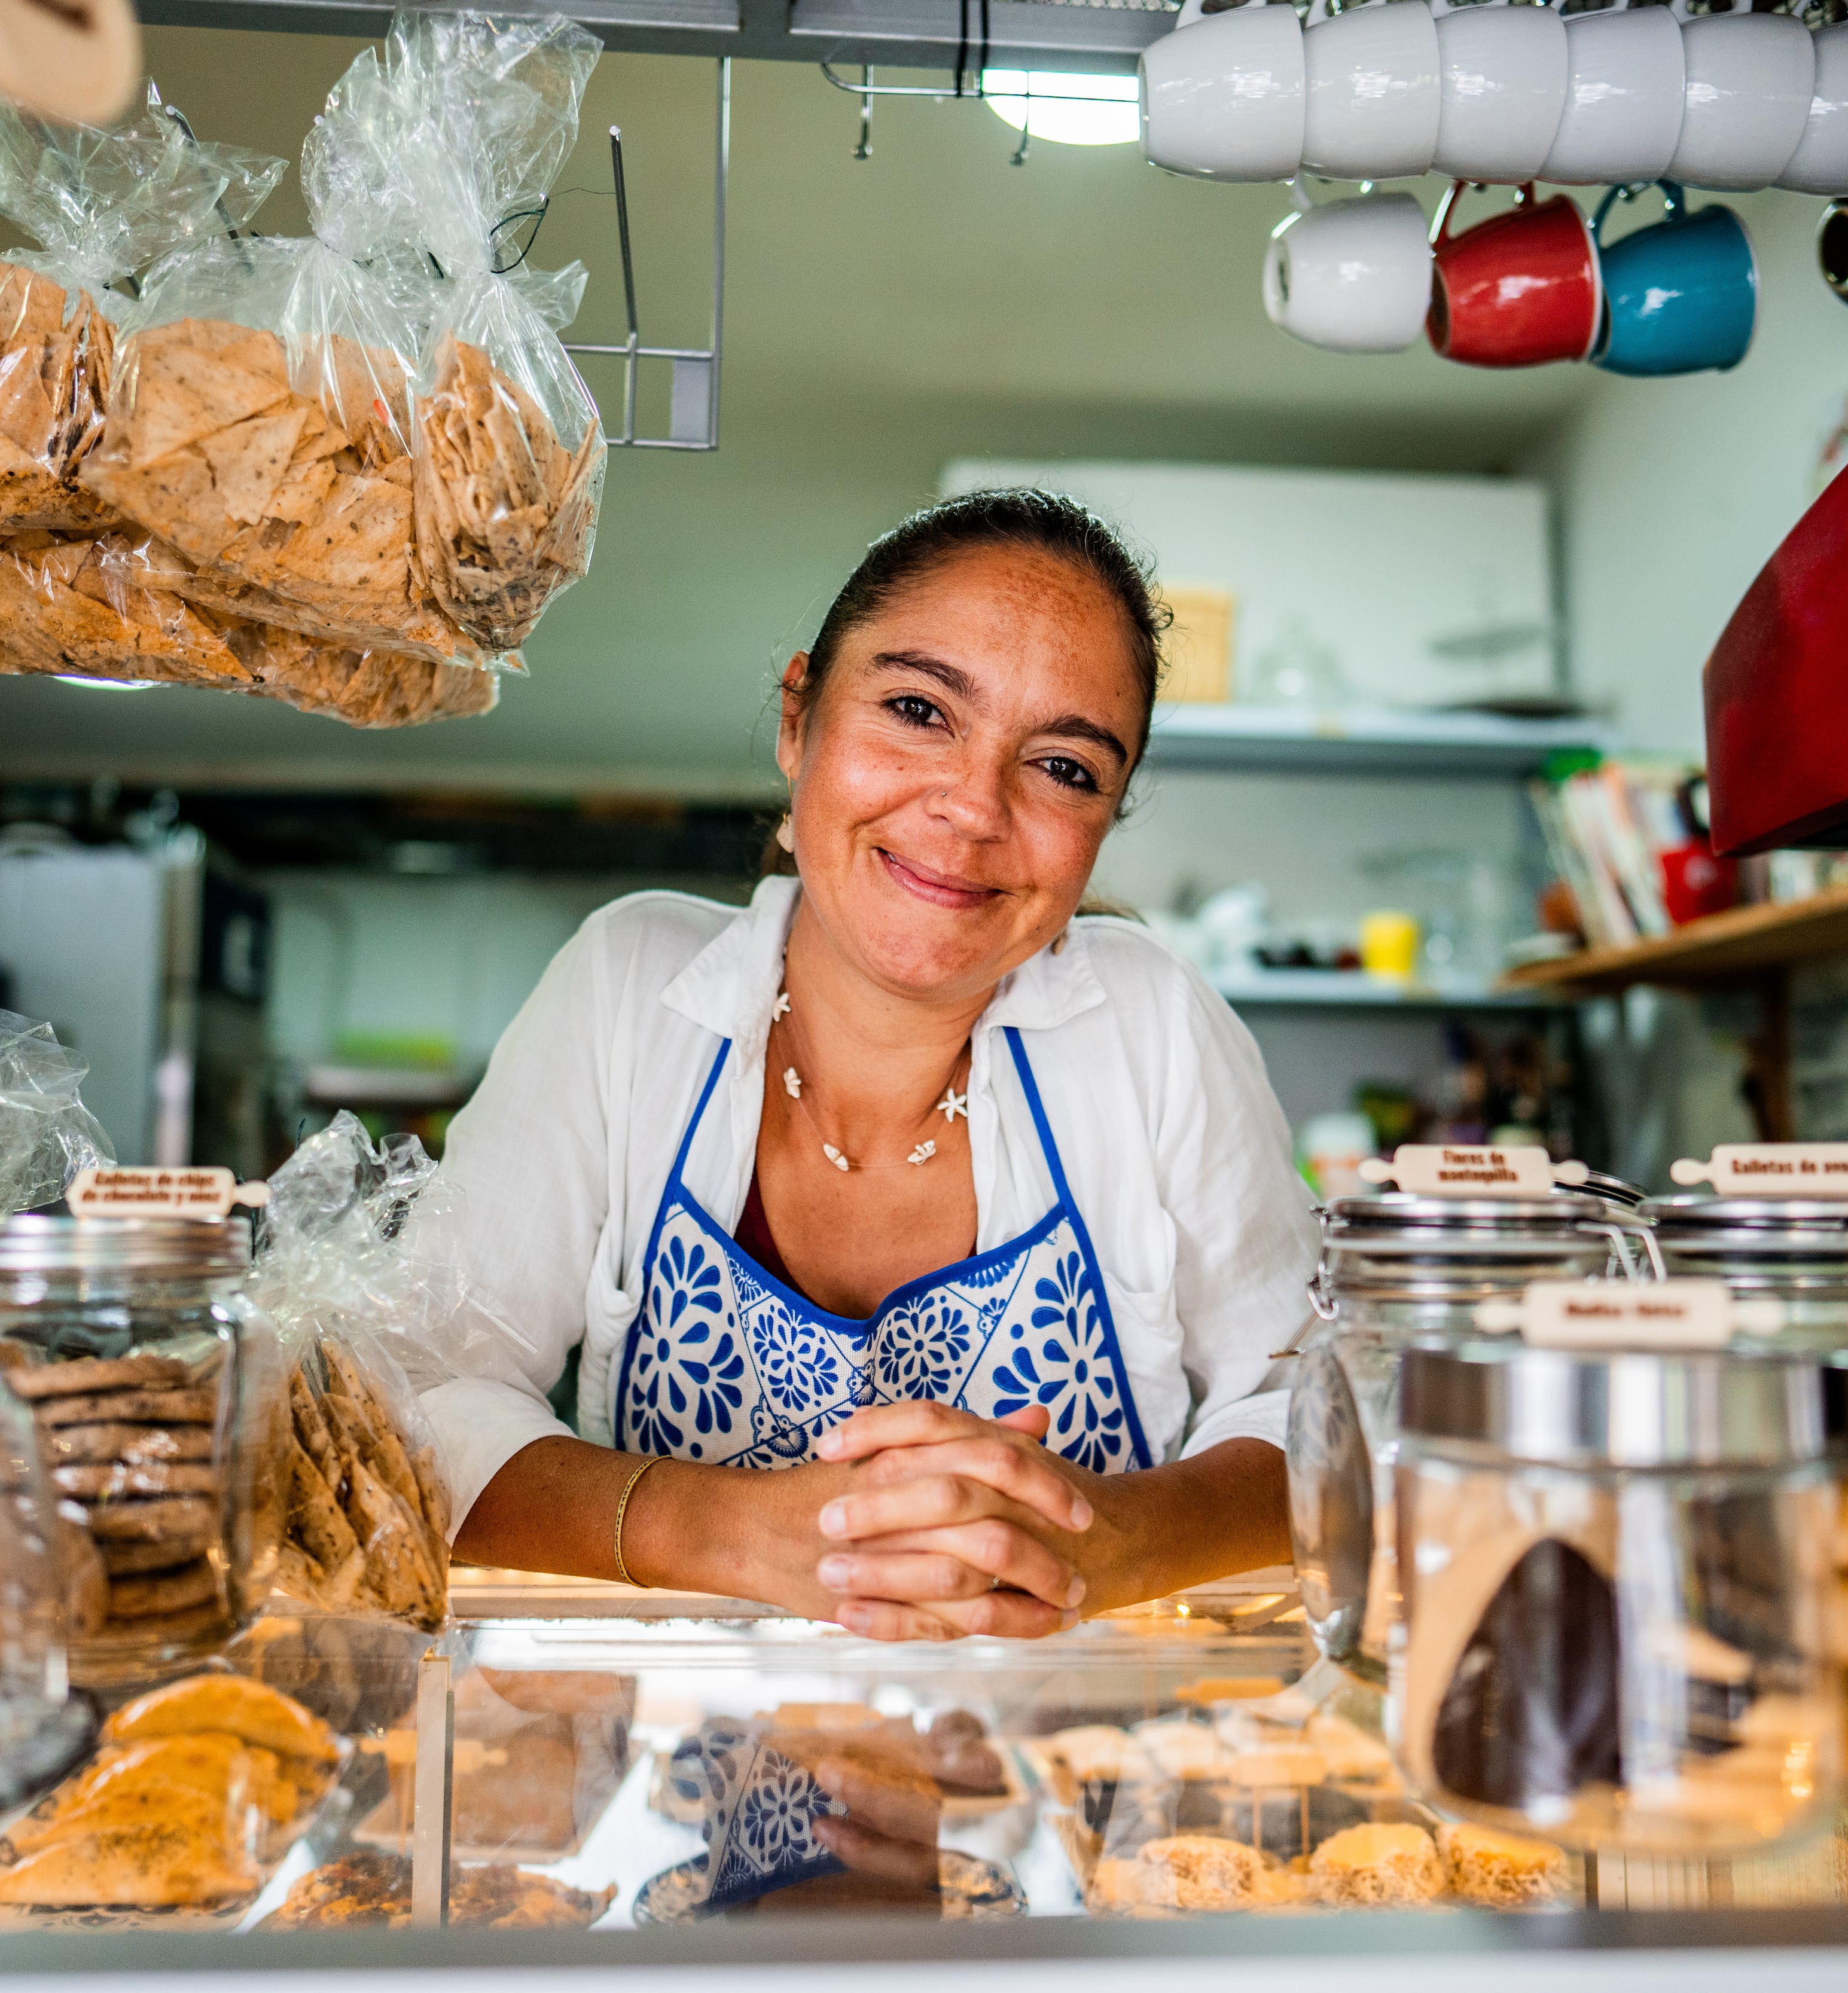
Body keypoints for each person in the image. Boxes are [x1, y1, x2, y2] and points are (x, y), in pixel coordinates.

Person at [408, 489, 1317, 1641]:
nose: (971, 809)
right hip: (673, 1783)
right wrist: (723, 1528)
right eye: (918, 709)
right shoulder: (626, 988)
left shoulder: (1150, 1022)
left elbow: (1319, 1409)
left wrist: (1113, 1538)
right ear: (799, 720)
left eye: (1064, 770)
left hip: (1077, 1786)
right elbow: (421, 1395)